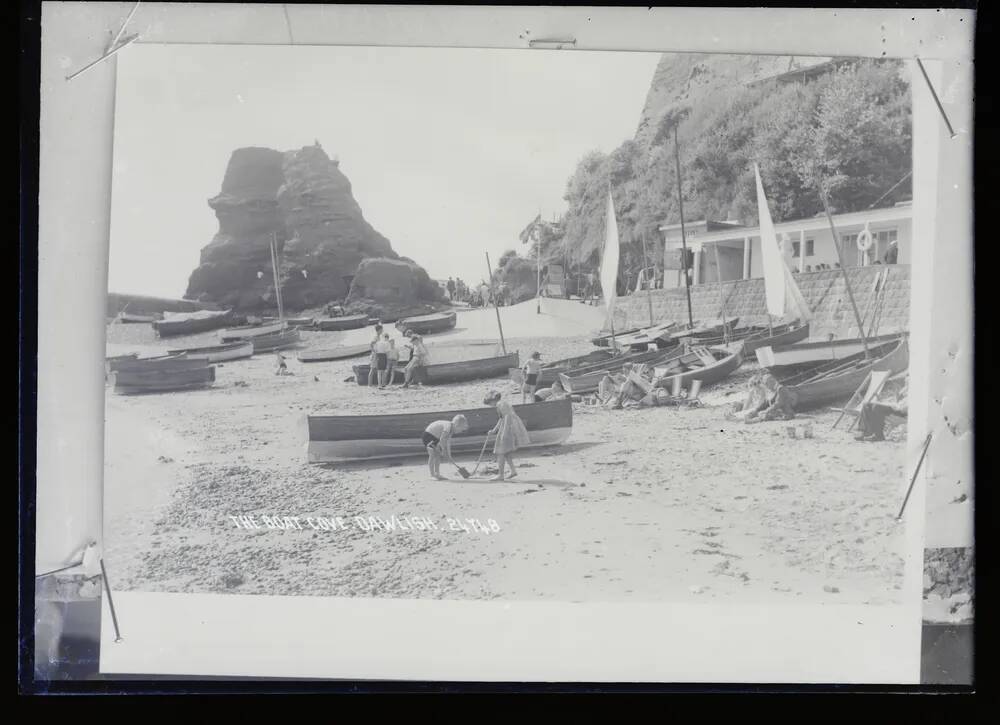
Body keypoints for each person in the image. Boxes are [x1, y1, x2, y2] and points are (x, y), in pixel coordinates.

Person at [487, 398, 530, 481]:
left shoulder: (501, 404)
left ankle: (501, 475)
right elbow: (501, 418)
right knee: (506, 452)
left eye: (489, 403)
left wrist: (505, 432)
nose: (490, 405)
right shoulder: (502, 403)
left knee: (500, 452)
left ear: (492, 400)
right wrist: (494, 430)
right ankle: (513, 471)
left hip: (508, 428)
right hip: (508, 427)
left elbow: (507, 417)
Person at [423, 415, 469, 480]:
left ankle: (437, 474)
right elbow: (442, 441)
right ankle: (432, 475)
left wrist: (449, 457)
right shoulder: (448, 427)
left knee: (437, 455)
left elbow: (447, 443)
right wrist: (444, 452)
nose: (460, 432)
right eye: (461, 430)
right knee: (433, 455)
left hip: (436, 438)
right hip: (428, 436)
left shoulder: (451, 430)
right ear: (456, 425)